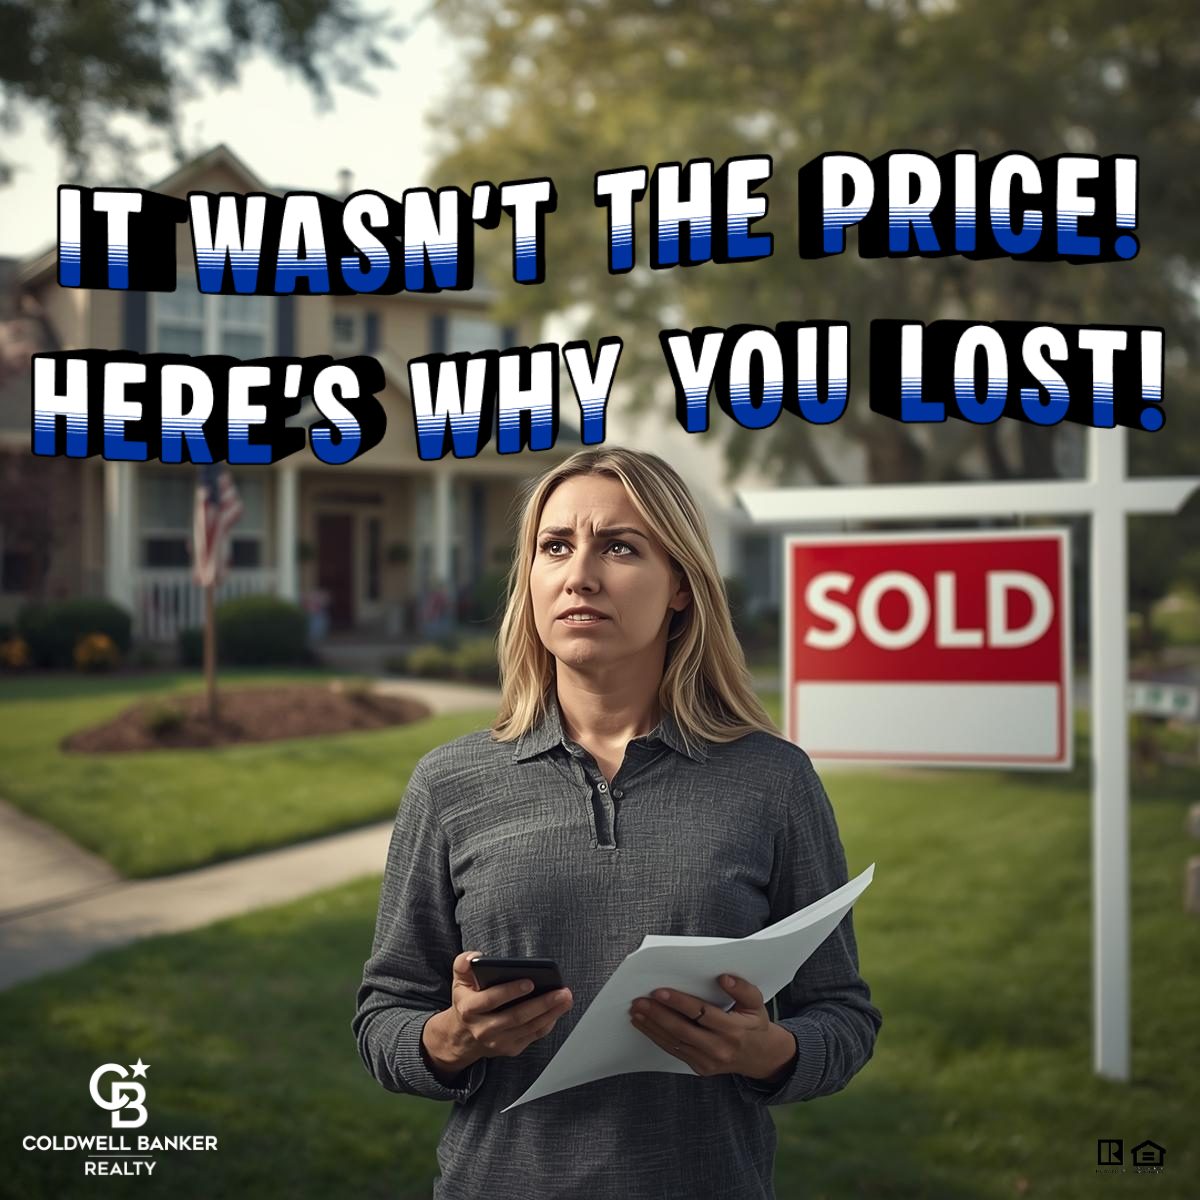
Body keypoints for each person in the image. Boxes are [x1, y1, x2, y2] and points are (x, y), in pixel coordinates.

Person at [353, 446, 881, 1200]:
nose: (580, 575)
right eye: (555, 547)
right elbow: (384, 1015)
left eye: (620, 547)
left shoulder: (773, 780)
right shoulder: (449, 782)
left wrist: (771, 1052)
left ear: (680, 589)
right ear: (530, 580)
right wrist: (448, 1039)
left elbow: (844, 1016)